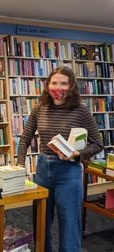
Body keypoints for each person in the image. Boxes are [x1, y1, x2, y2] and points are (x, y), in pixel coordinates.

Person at [17, 66, 103, 252]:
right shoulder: (40, 108)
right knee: (40, 222)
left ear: (72, 86)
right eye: (54, 83)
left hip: (69, 173)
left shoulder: (81, 111)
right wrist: (18, 165)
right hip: (43, 171)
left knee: (70, 223)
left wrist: (77, 155)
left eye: (64, 83)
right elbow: (25, 137)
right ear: (48, 86)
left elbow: (97, 144)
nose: (59, 87)